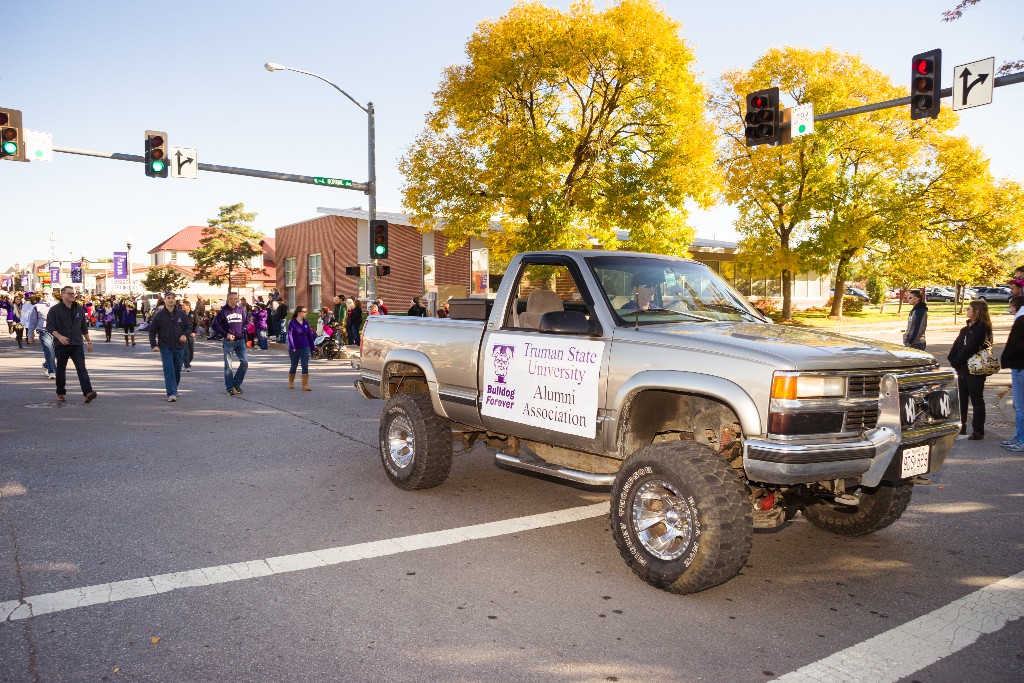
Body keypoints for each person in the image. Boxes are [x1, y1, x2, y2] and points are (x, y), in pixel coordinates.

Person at [947, 300, 994, 440]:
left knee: (976, 399)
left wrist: (957, 360)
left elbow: (971, 348)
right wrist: (952, 359)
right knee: (961, 399)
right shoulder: (965, 328)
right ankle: (961, 426)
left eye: (969, 309)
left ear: (977, 311)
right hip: (962, 369)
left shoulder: (983, 328)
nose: (967, 311)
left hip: (975, 369)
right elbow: (957, 346)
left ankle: (978, 430)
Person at [45, 285, 97, 403]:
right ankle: (61, 392)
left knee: (81, 368)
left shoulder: (78, 309)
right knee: (61, 369)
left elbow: (83, 327)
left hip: (77, 344)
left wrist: (89, 342)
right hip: (61, 344)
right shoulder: (55, 310)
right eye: (69, 293)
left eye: (73, 294)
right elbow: (50, 327)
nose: (72, 295)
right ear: (62, 294)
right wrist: (59, 337)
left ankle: (87, 393)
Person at [149, 291, 190, 402]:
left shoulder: (181, 314)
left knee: (177, 370)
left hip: (179, 346)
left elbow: (188, 327)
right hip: (165, 346)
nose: (171, 300)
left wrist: (184, 335)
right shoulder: (159, 315)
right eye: (168, 298)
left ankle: (174, 388)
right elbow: (152, 330)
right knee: (169, 369)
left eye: (172, 298)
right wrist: (154, 344)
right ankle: (171, 393)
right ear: (164, 300)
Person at [212, 291, 251, 396]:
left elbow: (246, 322)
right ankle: (229, 387)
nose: (236, 300)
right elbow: (215, 325)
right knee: (228, 366)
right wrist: (226, 334)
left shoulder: (240, 310)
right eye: (234, 298)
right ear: (229, 299)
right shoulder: (223, 312)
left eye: (237, 298)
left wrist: (244, 329)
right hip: (229, 341)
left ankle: (236, 384)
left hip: (241, 340)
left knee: (245, 363)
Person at [1001, 295, 1024, 451]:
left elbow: (1016, 346)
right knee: (1018, 406)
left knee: (1020, 406)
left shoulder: (1021, 321)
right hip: (1018, 366)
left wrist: (1008, 359)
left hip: (1020, 367)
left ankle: (1021, 439)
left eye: (1011, 307)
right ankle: (1018, 436)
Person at [25, 293, 56, 378]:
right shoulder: (37, 307)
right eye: (43, 294)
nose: (45, 295)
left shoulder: (56, 305)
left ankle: (46, 365)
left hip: (56, 331)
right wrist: (30, 335)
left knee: (55, 352)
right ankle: (52, 371)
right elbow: (32, 321)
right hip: (43, 330)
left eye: (47, 293)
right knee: (49, 350)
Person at [287, 306, 317, 391]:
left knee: (305, 365)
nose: (306, 313)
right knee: (294, 365)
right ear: (299, 312)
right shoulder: (292, 322)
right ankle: (291, 381)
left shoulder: (306, 323)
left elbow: (309, 336)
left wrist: (313, 347)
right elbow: (290, 335)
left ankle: (305, 385)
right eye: (304, 311)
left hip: (305, 347)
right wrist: (292, 346)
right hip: (294, 348)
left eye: (306, 311)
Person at [180, 298, 197, 371]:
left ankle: (186, 362)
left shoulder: (193, 313)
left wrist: (194, 332)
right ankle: (187, 366)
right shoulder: (181, 314)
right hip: (184, 334)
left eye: (184, 305)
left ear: (188, 306)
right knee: (185, 350)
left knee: (191, 351)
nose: (182, 306)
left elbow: (196, 324)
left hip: (191, 334)